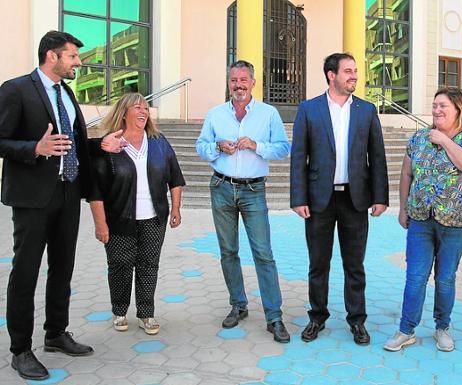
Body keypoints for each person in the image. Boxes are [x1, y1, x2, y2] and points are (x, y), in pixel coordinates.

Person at [0, 30, 125, 380]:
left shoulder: (67, 94)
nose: (78, 62)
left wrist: (102, 145)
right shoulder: (16, 89)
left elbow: (73, 143)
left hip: (68, 193)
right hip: (33, 197)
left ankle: (55, 333)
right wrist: (33, 149)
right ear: (52, 56)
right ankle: (20, 350)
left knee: (63, 268)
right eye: (72, 56)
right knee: (25, 272)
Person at [290, 52, 389, 345]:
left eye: (355, 71)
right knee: (318, 264)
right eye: (348, 71)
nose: (354, 76)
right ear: (331, 75)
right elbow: (299, 157)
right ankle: (316, 317)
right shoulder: (309, 109)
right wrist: (299, 197)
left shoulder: (366, 110)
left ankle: (357, 321)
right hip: (319, 200)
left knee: (354, 264)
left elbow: (378, 156)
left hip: (355, 199)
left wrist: (380, 196)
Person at [383, 87, 462, 353]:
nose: (437, 110)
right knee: (415, 276)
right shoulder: (418, 138)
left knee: (445, 278)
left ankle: (442, 327)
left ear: (458, 109)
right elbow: (407, 173)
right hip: (420, 218)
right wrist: (403, 207)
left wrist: (444, 140)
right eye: (434, 105)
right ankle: (406, 330)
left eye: (443, 106)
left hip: (457, 222)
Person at [196, 60, 291, 343]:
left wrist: (256, 146)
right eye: (233, 80)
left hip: (253, 191)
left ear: (253, 83)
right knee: (228, 251)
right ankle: (238, 305)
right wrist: (216, 147)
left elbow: (284, 148)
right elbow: (200, 146)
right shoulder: (215, 114)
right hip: (221, 187)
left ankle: (274, 316)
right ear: (229, 84)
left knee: (263, 253)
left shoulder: (268, 114)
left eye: (243, 80)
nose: (238, 85)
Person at [89, 93, 185, 335]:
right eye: (137, 107)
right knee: (120, 265)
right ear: (123, 112)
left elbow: (175, 177)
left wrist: (175, 208)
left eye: (146, 107)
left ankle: (146, 313)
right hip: (119, 218)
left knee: (149, 265)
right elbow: (95, 191)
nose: (144, 111)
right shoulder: (109, 144)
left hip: (154, 218)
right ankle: (119, 310)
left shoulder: (158, 142)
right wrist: (100, 224)